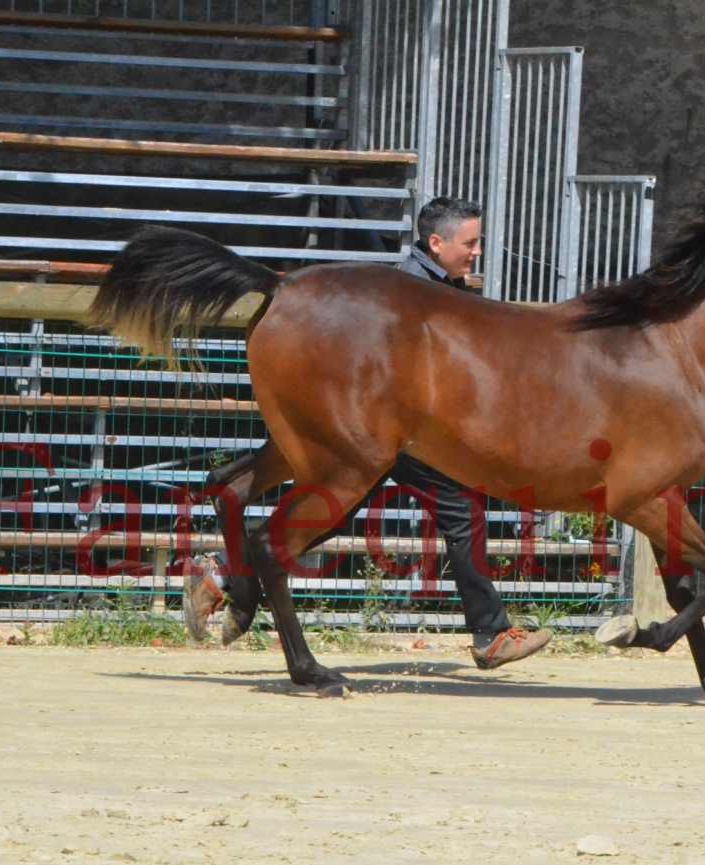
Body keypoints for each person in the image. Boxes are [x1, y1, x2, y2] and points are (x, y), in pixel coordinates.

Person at [185, 197, 552, 671]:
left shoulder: (437, 287)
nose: (477, 251)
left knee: (328, 510)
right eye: (471, 242)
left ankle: (226, 576)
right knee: (462, 509)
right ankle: (492, 632)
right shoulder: (412, 290)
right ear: (436, 242)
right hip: (399, 428)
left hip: (387, 424)